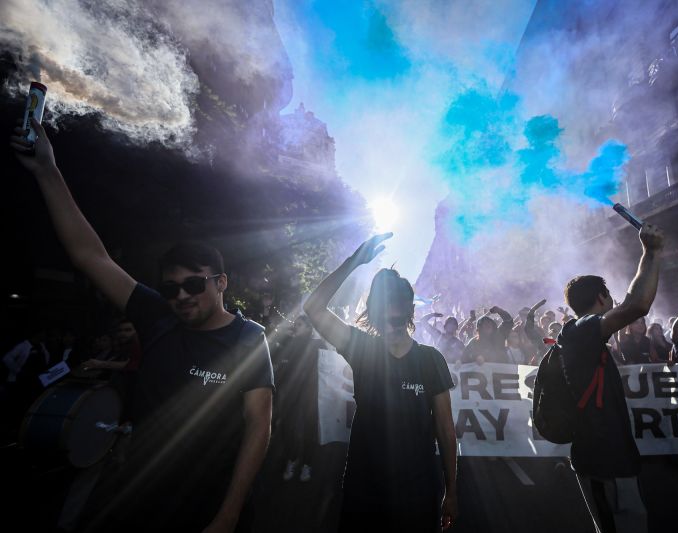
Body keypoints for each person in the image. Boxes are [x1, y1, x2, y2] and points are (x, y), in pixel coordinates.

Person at [11, 119, 274, 532]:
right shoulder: (158, 316)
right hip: (138, 498)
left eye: (192, 284)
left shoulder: (249, 337)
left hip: (209, 505)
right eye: (171, 288)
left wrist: (229, 513)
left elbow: (259, 426)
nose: (181, 296)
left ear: (221, 283)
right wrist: (48, 171)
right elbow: (90, 256)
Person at [303, 233, 458, 532]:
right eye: (384, 314)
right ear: (373, 313)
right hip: (364, 485)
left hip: (418, 488)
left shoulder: (430, 360)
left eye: (398, 316)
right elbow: (313, 308)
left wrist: (451, 492)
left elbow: (446, 431)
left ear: (410, 312)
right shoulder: (360, 347)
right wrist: (354, 262)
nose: (392, 323)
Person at [558, 222, 664, 533]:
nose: (615, 302)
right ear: (603, 298)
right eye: (611, 296)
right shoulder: (580, 329)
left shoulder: (587, 336)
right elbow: (638, 305)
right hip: (602, 460)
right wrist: (651, 252)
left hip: (611, 457)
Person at [276, 315, 325, 483]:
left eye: (299, 324)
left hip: (310, 393)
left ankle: (307, 463)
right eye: (295, 324)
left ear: (309, 328)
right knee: (287, 426)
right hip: (290, 392)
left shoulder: (318, 345)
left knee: (309, 428)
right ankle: (292, 458)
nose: (295, 326)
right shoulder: (288, 342)